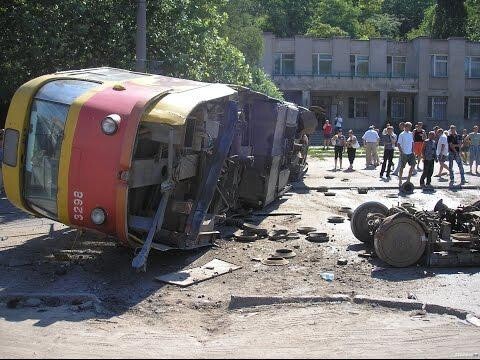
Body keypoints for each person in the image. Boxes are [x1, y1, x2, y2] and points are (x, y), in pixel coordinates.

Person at [397, 121, 416, 189]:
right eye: (409, 127)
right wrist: (401, 152)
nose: (410, 128)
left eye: (410, 127)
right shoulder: (401, 134)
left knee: (413, 165)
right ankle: (400, 180)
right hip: (404, 153)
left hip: (411, 153)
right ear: (405, 127)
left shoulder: (411, 134)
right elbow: (398, 144)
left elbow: (412, 142)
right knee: (402, 167)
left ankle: (408, 179)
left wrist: (413, 150)